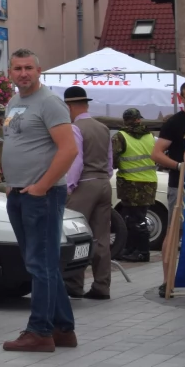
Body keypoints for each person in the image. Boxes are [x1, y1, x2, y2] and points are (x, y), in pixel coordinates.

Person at [1, 49, 77, 352]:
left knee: (40, 265)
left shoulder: (50, 103)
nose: (23, 73)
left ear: (39, 70)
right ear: (10, 73)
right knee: (42, 264)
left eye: (28, 67)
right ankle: (63, 329)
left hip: (41, 196)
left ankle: (40, 331)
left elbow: (68, 150)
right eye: (17, 68)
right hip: (19, 192)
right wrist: (12, 183)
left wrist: (42, 187)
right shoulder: (14, 101)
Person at [61, 87, 114, 300]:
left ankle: (74, 284)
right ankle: (102, 286)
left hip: (84, 183)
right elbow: (110, 162)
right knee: (101, 237)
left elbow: (76, 161)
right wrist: (104, 176)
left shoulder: (75, 128)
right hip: (103, 182)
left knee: (77, 236)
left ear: (69, 106)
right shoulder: (103, 128)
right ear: (87, 104)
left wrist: (69, 187)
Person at [152, 81, 185, 296]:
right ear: (182, 98)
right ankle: (168, 281)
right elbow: (156, 153)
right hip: (180, 184)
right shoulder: (175, 122)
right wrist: (178, 165)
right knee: (174, 231)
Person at [114, 108, 156, 263]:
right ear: (139, 119)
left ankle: (143, 252)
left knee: (134, 219)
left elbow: (112, 159)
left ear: (125, 120)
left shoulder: (121, 136)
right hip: (150, 182)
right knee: (134, 217)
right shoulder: (151, 136)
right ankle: (130, 249)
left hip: (130, 183)